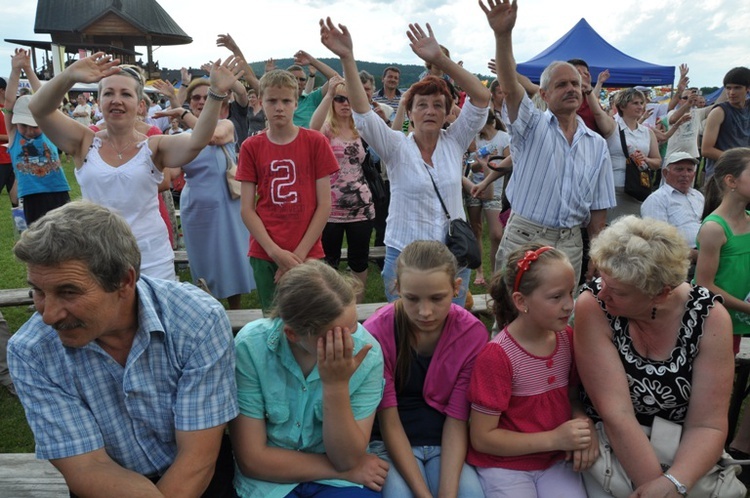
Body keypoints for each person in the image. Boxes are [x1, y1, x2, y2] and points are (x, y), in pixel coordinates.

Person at [8, 201, 238, 497]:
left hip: (201, 477)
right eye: (38, 291)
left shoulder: (196, 319)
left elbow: (197, 458)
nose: (49, 315)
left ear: (124, 281)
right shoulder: (31, 351)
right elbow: (87, 466)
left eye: (68, 292)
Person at [320, 18, 491, 306]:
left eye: (438, 105)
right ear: (409, 112)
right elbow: (362, 112)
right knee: (405, 332)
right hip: (405, 256)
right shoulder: (396, 146)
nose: (430, 111)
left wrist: (440, 60)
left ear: (448, 111)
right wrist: (347, 57)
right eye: (421, 105)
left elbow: (482, 97)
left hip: (451, 255)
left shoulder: (455, 141)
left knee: (450, 331)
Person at [28, 52, 243, 281]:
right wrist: (70, 75)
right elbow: (39, 109)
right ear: (99, 102)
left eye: (125, 94)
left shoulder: (154, 146)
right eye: (108, 93)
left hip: (150, 259)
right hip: (98, 257)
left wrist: (216, 93)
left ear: (140, 105)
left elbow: (197, 140)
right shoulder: (84, 142)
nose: (116, 100)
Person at [574, 216, 734, 497]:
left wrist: (674, 483)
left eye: (618, 291)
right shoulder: (594, 305)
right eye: (603, 279)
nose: (602, 292)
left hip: (685, 448)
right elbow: (617, 415)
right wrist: (654, 487)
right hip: (613, 447)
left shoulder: (710, 318)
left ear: (660, 294)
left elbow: (707, 423)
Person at [481, 0, 615, 282]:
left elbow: (598, 208)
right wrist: (502, 36)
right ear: (543, 94)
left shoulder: (596, 144)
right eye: (562, 84)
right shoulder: (530, 125)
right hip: (525, 237)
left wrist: (597, 253)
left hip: (571, 243)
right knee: (512, 315)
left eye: (576, 84)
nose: (571, 89)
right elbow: (509, 87)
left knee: (562, 318)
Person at [230, 260, 387, 497]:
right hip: (271, 482)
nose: (350, 343)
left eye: (352, 328)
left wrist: (336, 386)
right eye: (335, 336)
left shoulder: (368, 353)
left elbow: (347, 458)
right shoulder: (251, 348)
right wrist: (340, 472)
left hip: (339, 484)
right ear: (292, 333)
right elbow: (252, 460)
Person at [467, 244, 594, 497]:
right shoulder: (497, 356)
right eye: (556, 297)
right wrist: (555, 439)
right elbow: (482, 437)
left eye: (571, 293)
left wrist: (582, 423)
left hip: (556, 461)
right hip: (505, 466)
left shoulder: (568, 340)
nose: (569, 305)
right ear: (521, 301)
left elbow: (570, 397)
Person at [363, 240, 486, 497]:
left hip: (447, 442)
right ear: (396, 289)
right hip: (389, 443)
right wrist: (423, 493)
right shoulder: (377, 332)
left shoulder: (472, 333)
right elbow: (388, 419)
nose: (425, 312)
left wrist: (447, 493)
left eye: (437, 298)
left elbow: (457, 417)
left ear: (456, 289)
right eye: (412, 298)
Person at [237, 69, 339, 311]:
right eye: (272, 101)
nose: (279, 107)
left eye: (286, 101)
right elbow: (247, 209)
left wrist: (297, 256)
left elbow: (324, 204)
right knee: (273, 319)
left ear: (296, 103)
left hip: (308, 250)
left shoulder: (315, 142)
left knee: (310, 318)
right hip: (265, 251)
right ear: (261, 102)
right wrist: (276, 254)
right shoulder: (251, 146)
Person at [156, 77, 256, 309]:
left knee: (230, 256)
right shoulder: (180, 138)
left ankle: (235, 311)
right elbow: (171, 174)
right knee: (204, 260)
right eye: (197, 98)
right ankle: (208, 308)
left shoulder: (226, 125)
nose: (202, 102)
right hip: (197, 207)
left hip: (226, 204)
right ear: (191, 102)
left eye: (208, 96)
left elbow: (212, 137)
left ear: (221, 103)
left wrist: (181, 113)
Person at [694, 148, 750, 460]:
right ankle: (707, 454)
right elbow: (704, 285)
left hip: (739, 320)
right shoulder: (715, 228)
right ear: (730, 181)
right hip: (717, 323)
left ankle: (739, 446)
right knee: (715, 392)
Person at [310, 77, 374, 302]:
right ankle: (331, 304)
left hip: (361, 206)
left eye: (349, 99)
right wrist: (328, 95)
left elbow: (390, 136)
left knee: (359, 260)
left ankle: (357, 306)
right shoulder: (326, 129)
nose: (345, 104)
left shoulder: (361, 128)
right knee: (330, 261)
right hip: (331, 206)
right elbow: (312, 128)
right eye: (339, 99)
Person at [3, 48, 70, 225]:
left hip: (58, 191)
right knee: (38, 238)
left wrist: (29, 69)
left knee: (65, 235)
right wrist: (16, 70)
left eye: (35, 126)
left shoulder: (49, 130)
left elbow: (45, 98)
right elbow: (9, 102)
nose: (30, 130)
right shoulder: (14, 134)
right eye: (24, 125)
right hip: (31, 196)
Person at [464, 110, 510, 284]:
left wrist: (491, 168)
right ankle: (480, 273)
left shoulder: (504, 137)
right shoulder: (476, 138)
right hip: (474, 188)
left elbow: (509, 164)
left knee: (497, 234)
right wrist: (480, 165)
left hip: (496, 190)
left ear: (488, 121)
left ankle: (496, 275)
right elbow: (471, 167)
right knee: (476, 229)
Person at [641, 152, 703, 266]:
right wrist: (693, 254)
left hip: (708, 252)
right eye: (679, 169)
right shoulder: (657, 199)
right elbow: (658, 243)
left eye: (689, 170)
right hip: (679, 261)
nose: (685, 174)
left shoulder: (698, 196)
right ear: (665, 173)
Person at [702, 67, 750, 184]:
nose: (732, 92)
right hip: (721, 177)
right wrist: (742, 160)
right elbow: (706, 150)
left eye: (737, 88)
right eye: (728, 88)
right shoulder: (719, 112)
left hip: (744, 174)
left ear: (747, 89)